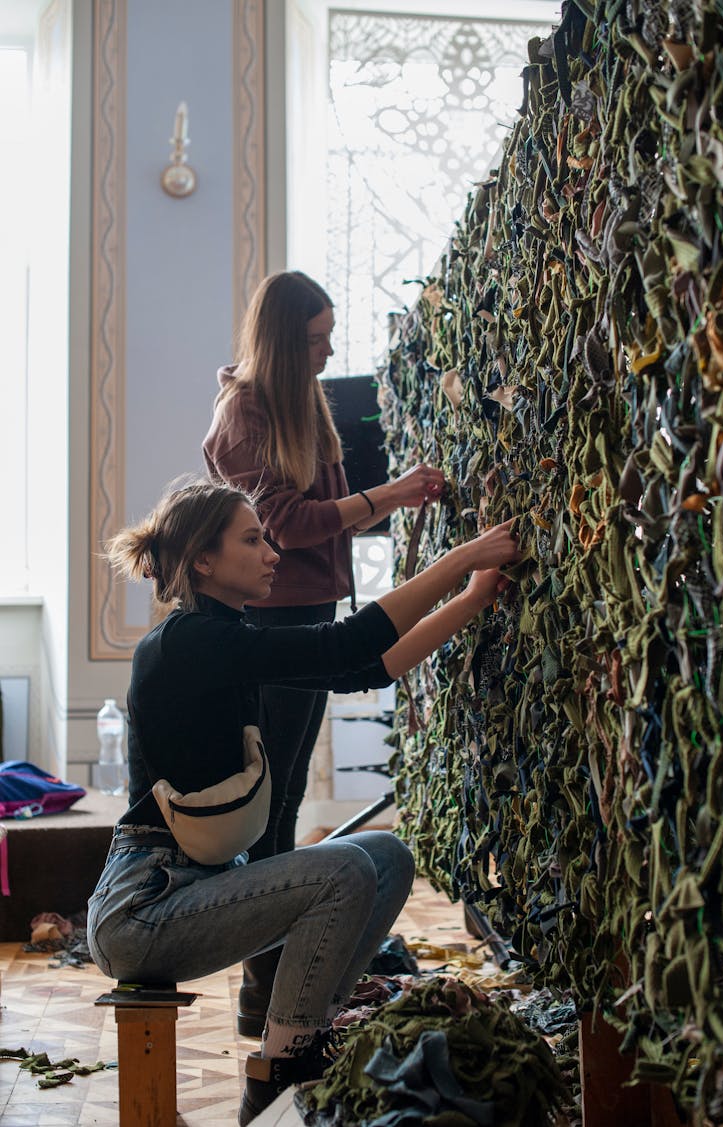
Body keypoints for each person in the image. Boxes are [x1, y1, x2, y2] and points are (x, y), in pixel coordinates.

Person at [86, 479, 520, 1124]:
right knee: (341, 867)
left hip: (193, 893)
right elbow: (343, 644)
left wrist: (477, 594)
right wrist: (463, 558)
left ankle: (311, 1033)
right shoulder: (186, 643)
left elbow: (363, 668)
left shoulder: (223, 640)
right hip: (145, 911)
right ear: (204, 560)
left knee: (386, 854)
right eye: (253, 539)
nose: (272, 554)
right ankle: (284, 1071)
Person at [202, 270, 446, 1036]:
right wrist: (392, 495)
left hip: (302, 606)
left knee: (282, 802)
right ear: (280, 340)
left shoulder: (294, 397)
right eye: (314, 340)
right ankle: (267, 999)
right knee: (272, 812)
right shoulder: (245, 411)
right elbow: (287, 524)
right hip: (275, 618)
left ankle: (273, 992)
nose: (327, 350)